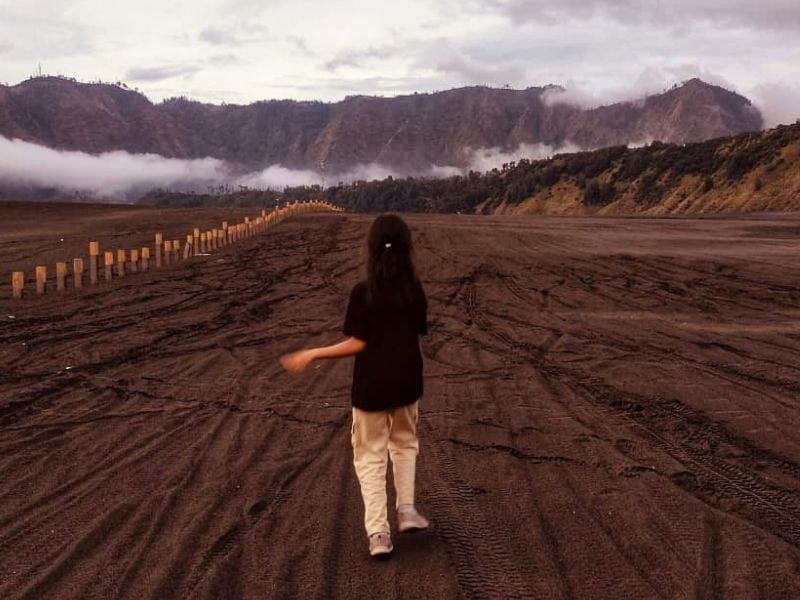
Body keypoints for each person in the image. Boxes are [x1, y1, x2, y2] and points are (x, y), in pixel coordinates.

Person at [280, 214, 430, 558]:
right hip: (408, 382)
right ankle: (406, 509)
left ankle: (379, 533)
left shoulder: (364, 292)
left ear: (372, 249)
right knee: (405, 445)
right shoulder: (414, 290)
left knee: (370, 456)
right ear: (407, 247)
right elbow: (418, 331)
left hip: (372, 388)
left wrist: (314, 352)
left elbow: (357, 343)